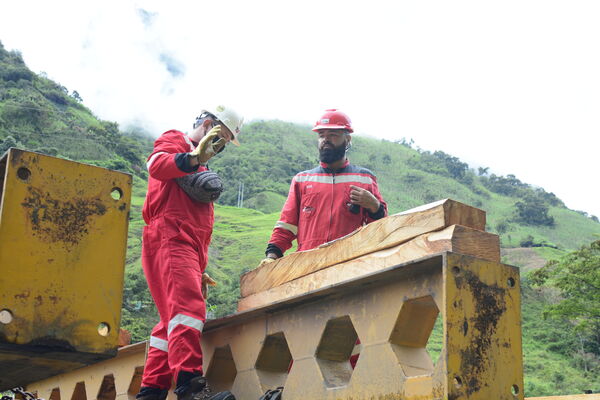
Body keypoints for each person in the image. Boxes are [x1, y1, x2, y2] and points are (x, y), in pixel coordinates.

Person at [136, 106, 243, 400]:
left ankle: (152, 392)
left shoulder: (201, 166)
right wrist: (194, 157)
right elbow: (156, 165)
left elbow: (197, 224)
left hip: (186, 248)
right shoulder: (177, 142)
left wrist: (198, 268)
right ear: (208, 124)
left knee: (170, 321)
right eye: (221, 138)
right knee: (187, 312)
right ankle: (191, 390)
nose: (220, 147)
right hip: (171, 238)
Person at [264, 108, 387, 260]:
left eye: (333, 135)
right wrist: (271, 256)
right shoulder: (302, 180)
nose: (325, 140)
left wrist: (375, 206)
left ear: (347, 140)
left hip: (349, 263)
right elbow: (286, 226)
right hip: (308, 266)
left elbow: (380, 228)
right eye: (322, 135)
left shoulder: (364, 179)